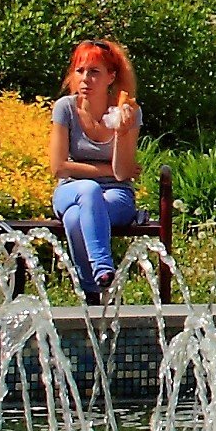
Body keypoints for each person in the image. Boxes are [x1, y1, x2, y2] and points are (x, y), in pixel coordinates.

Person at [48, 38, 142, 301]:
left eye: (94, 72)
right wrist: (106, 171)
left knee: (76, 218)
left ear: (111, 77)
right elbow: (58, 167)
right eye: (80, 71)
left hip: (116, 195)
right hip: (70, 190)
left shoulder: (127, 112)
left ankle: (91, 290)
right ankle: (103, 269)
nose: (85, 80)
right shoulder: (65, 108)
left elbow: (122, 174)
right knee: (87, 191)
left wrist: (122, 133)